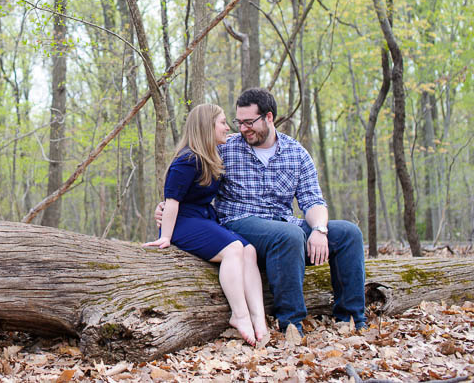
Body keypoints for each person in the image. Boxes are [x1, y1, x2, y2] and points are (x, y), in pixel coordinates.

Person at [157, 88, 366, 335]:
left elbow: (313, 201)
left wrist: (320, 229)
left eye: (249, 122)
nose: (242, 129)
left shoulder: (296, 153)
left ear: (269, 117)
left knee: (348, 233)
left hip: (285, 225)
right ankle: (291, 324)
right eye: (238, 122)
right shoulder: (226, 148)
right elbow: (188, 177)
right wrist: (168, 207)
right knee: (288, 235)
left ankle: (350, 319)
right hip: (240, 223)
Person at [143, 103, 268, 346]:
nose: (228, 127)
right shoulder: (187, 160)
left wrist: (230, 135)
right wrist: (165, 236)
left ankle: (258, 317)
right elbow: (172, 201)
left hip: (203, 218)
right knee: (233, 250)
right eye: (222, 122)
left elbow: (231, 137)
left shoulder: (211, 153)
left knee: (249, 250)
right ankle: (239, 315)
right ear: (206, 126)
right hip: (183, 222)